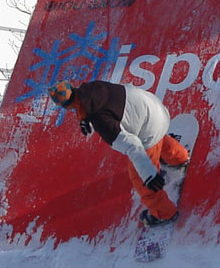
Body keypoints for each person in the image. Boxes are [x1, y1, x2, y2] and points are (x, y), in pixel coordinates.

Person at [47, 80, 190, 226]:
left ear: (64, 106)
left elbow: (133, 146)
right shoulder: (94, 87)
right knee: (155, 137)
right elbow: (92, 102)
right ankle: (179, 157)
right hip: (156, 109)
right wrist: (84, 117)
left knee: (140, 179)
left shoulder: (102, 123)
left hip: (149, 129)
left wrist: (148, 173)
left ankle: (165, 213)